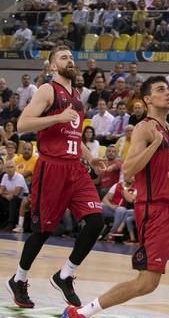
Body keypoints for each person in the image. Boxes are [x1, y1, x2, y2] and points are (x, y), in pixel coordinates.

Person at [62, 76, 169, 318]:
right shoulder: (145, 128)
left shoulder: (167, 130)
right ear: (147, 99)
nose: (168, 94)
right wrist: (153, 145)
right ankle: (81, 312)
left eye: (168, 90)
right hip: (155, 210)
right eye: (160, 90)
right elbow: (129, 169)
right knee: (147, 282)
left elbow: (166, 175)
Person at [8, 46, 106, 310]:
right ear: (52, 66)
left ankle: (65, 275)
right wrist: (57, 117)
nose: (70, 60)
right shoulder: (47, 90)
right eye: (63, 57)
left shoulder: (76, 96)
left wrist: (90, 157)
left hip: (75, 168)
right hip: (52, 167)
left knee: (97, 221)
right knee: (43, 230)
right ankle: (19, 279)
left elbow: (72, 135)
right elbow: (22, 125)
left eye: (72, 57)